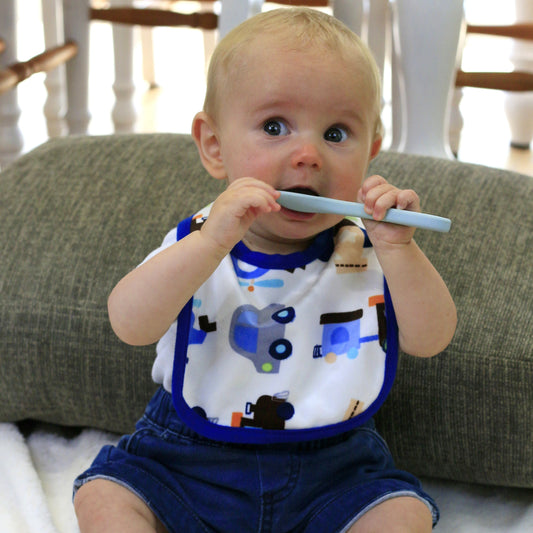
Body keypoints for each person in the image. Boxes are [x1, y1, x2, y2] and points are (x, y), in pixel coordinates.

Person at [73, 7, 457, 533]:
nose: (308, 155)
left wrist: (400, 250)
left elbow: (432, 339)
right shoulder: (199, 240)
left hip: (335, 468)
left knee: (402, 511)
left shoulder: (371, 249)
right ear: (214, 146)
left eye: (337, 133)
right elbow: (129, 324)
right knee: (103, 494)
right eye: (274, 127)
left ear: (370, 151)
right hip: (185, 460)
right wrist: (210, 244)